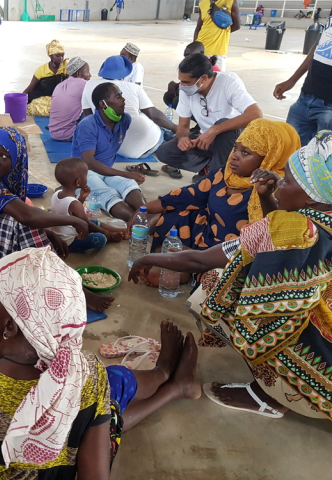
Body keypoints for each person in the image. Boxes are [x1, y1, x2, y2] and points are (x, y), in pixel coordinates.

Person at [0, 248, 202, 478]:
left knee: (94, 406)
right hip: (75, 424)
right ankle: (167, 377)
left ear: (10, 326)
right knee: (111, 386)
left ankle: (170, 379)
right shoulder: (85, 373)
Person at [128, 130, 332, 422]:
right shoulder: (319, 220)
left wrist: (147, 258)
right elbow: (272, 239)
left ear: (311, 199)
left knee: (212, 285)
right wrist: (266, 196)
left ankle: (272, 395)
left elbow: (202, 259)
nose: (278, 183)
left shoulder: (291, 230)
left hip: (319, 372)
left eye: (286, 181)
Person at [132, 119, 300, 287]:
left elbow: (270, 236)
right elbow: (189, 195)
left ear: (269, 158)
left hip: (231, 252)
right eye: (235, 148)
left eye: (245, 153)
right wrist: (143, 209)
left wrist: (265, 196)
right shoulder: (226, 173)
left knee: (221, 282)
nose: (234, 155)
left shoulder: (275, 191)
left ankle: (190, 267)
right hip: (208, 235)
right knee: (170, 217)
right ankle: (188, 265)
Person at [0, 127, 89, 281]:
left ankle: (51, 274)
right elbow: (26, 216)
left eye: (3, 156)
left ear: (17, 159)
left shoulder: (0, 179)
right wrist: (74, 220)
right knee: (23, 220)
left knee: (24, 220)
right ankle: (57, 278)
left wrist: (49, 234)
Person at [156, 54, 262, 181]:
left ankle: (218, 179)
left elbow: (256, 115)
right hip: (207, 140)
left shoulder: (229, 82)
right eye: (180, 80)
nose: (181, 85)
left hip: (233, 143)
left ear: (203, 78)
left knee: (225, 126)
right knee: (165, 151)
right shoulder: (186, 90)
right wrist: (183, 138)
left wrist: (214, 130)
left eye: (186, 82)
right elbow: (183, 125)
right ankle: (211, 168)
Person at [73, 82, 148, 222]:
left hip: (107, 170)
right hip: (85, 173)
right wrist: (126, 174)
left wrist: (126, 177)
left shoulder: (125, 120)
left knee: (130, 185)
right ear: (103, 104)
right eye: (118, 97)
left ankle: (146, 214)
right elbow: (89, 162)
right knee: (108, 194)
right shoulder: (87, 125)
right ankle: (141, 222)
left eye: (121, 96)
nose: (123, 99)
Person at [82, 55, 177, 161]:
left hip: (114, 148)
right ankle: (176, 140)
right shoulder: (134, 88)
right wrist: (176, 128)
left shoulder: (89, 85)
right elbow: (153, 115)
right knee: (162, 125)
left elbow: (88, 116)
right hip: (145, 146)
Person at [274, 16, 332, 147]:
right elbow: (321, 42)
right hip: (306, 97)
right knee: (290, 150)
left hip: (329, 107)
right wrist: (292, 80)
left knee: (323, 156)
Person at [52, 157, 125, 253]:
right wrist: (107, 234)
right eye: (86, 175)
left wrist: (82, 197)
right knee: (100, 238)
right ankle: (111, 235)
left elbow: (71, 212)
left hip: (60, 236)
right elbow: (87, 224)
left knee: (93, 221)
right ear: (78, 182)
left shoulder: (56, 194)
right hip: (69, 242)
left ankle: (117, 230)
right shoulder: (74, 204)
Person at [164, 41, 220, 111]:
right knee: (168, 96)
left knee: (177, 100)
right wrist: (175, 85)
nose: (187, 59)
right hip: (197, 95)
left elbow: (198, 87)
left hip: (209, 100)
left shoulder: (208, 69)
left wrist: (179, 89)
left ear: (201, 53)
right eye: (185, 56)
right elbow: (190, 82)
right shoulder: (192, 66)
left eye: (190, 56)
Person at [48, 57, 91, 142]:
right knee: (97, 107)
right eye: (87, 72)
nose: (90, 75)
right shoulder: (84, 84)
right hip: (70, 134)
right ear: (78, 74)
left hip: (54, 133)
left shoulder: (60, 85)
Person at [23, 40, 68, 117]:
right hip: (42, 99)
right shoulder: (41, 70)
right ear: (51, 56)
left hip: (58, 99)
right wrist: (18, 100)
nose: (60, 58)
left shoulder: (66, 67)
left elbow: (72, 84)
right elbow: (30, 88)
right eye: (57, 56)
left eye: (62, 56)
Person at [194, 0, 240, 71]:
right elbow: (198, 28)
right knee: (200, 76)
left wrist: (222, 32)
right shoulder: (203, 4)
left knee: (217, 76)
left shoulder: (231, 2)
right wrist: (195, 47)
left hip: (218, 51)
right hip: (201, 49)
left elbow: (237, 26)